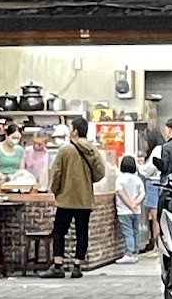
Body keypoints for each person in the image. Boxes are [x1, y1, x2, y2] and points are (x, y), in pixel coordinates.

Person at [42, 117, 106, 280]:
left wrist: (55, 190)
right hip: (85, 199)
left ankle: (58, 265)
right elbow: (100, 173)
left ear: (75, 131)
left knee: (59, 231)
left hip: (66, 198)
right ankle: (77, 266)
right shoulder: (92, 149)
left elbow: (56, 173)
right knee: (82, 232)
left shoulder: (65, 150)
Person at [115, 156, 144, 264]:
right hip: (136, 210)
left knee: (128, 232)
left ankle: (129, 253)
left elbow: (120, 193)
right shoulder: (137, 179)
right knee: (136, 231)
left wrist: (130, 204)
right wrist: (135, 204)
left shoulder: (120, 179)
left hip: (124, 210)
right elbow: (142, 193)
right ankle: (135, 252)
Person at [138, 127, 164, 250]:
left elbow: (150, 169)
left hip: (154, 183)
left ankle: (156, 246)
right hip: (156, 183)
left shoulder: (157, 150)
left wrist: (138, 165)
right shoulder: (161, 148)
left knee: (155, 216)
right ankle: (154, 243)